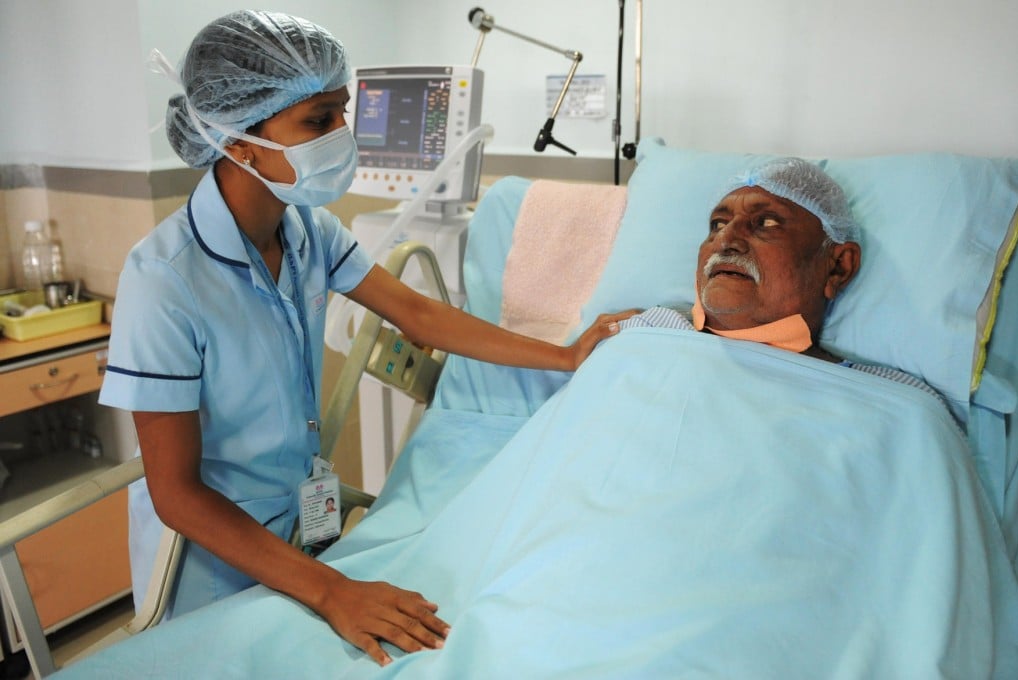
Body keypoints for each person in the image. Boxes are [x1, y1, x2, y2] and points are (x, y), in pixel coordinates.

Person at [98, 10, 632, 668]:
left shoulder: (306, 231)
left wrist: (567, 354)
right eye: (318, 121)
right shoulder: (165, 280)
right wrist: (332, 591)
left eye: (341, 111)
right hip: (213, 560)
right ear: (239, 142)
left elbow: (418, 313)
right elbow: (176, 493)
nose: (341, 135)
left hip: (304, 533)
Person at [619, 157, 945, 403]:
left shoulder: (891, 402)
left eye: (767, 222)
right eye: (718, 224)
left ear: (838, 268)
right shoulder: (644, 331)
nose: (726, 239)